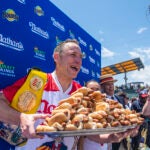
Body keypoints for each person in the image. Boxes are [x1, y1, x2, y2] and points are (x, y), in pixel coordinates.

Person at [0, 39, 139, 150]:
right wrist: (21, 117)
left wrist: (112, 137)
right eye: (72, 55)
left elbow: (90, 133)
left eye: (81, 57)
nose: (78, 61)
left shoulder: (82, 93)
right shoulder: (37, 81)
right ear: (56, 57)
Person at [99, 74, 126, 150]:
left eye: (112, 84)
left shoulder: (120, 99)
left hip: (122, 137)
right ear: (102, 87)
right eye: (108, 85)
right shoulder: (100, 100)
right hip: (108, 138)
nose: (111, 87)